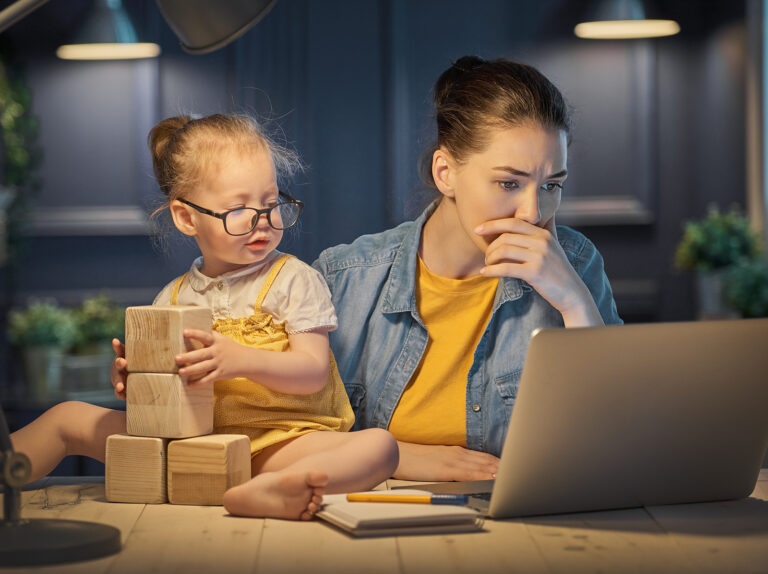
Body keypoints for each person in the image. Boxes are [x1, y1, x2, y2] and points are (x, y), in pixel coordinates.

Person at [11, 113, 398, 520]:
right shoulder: (172, 297)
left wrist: (241, 359)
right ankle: (7, 472)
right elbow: (162, 390)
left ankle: (267, 489)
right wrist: (134, 379)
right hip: (190, 443)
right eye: (238, 209)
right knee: (66, 417)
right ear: (186, 217)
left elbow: (313, 370)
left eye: (270, 203)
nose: (262, 219)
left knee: (379, 446)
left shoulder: (294, 280)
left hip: (277, 443)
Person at [312, 56, 623, 483]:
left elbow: (613, 441)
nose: (533, 212)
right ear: (446, 173)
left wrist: (574, 301)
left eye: (552, 185)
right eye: (509, 183)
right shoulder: (345, 279)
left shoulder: (575, 263)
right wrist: (396, 457)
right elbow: (280, 435)